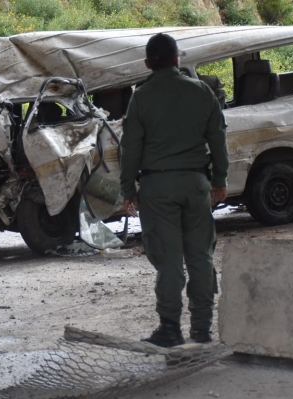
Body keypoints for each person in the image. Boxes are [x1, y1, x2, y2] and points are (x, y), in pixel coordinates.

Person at [119, 34, 229, 348]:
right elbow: (218, 140)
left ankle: (170, 328)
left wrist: (129, 190)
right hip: (196, 185)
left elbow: (131, 149)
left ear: (147, 64)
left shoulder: (141, 97)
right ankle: (202, 329)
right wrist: (220, 181)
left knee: (168, 261)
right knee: (200, 257)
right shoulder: (202, 91)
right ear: (177, 59)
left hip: (157, 187)